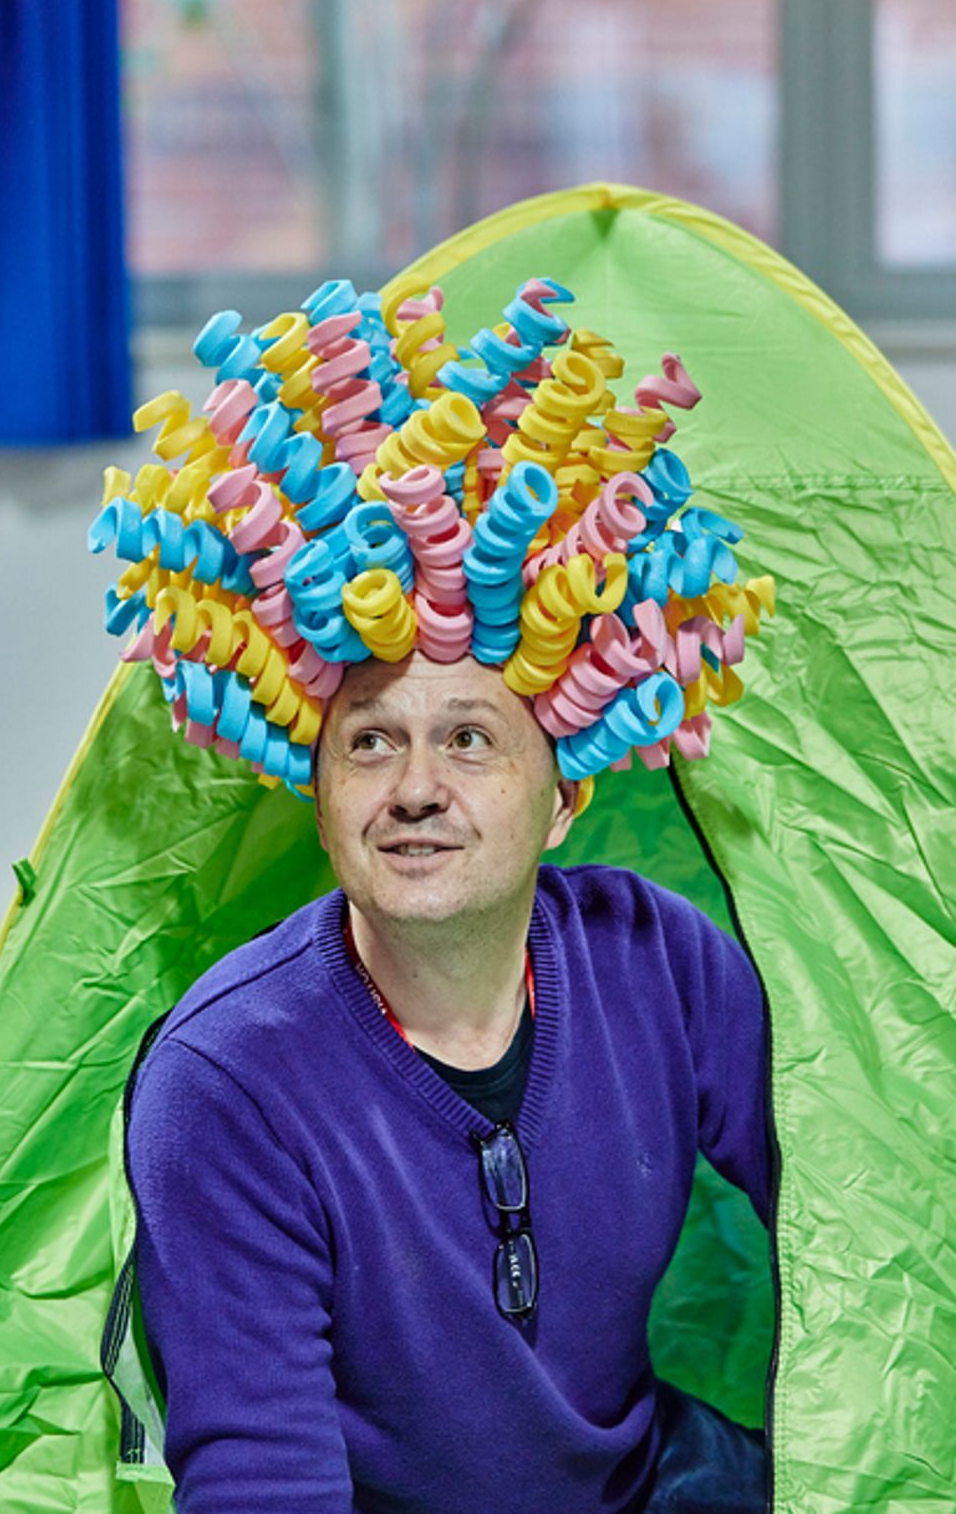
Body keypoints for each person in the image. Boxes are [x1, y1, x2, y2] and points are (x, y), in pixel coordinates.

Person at [89, 269, 776, 1513]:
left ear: (563, 799)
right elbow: (261, 1475)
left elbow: (860, 1200)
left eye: (468, 740)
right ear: (315, 792)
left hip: (650, 1484)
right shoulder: (226, 1077)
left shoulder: (661, 964)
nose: (412, 787)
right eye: (367, 741)